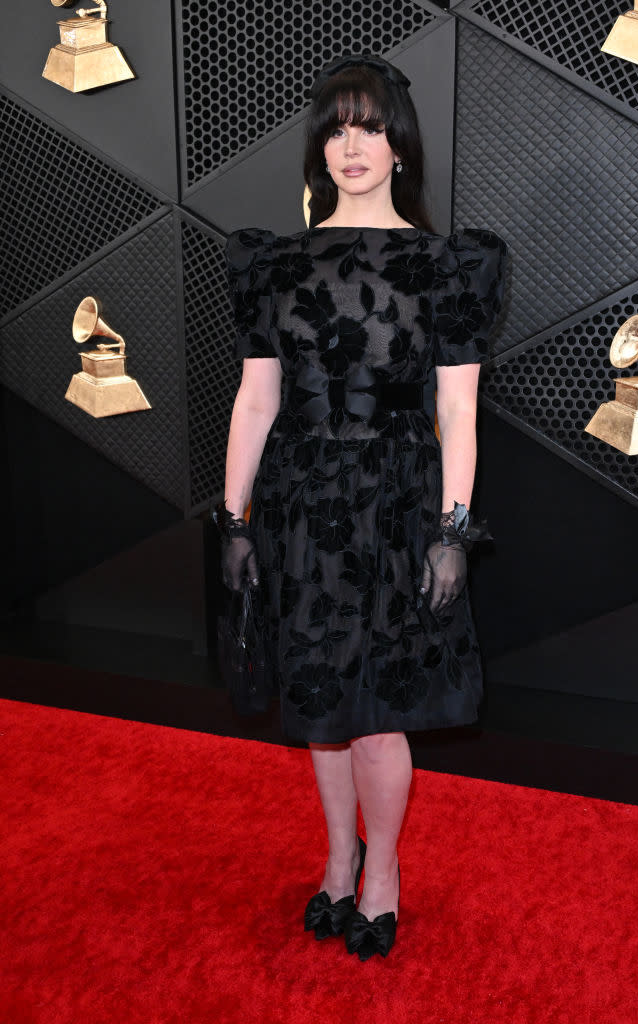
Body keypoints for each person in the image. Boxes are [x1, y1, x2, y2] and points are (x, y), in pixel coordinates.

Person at [218, 53, 508, 962]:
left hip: (394, 501)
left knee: (378, 712)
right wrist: (233, 520)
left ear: (399, 146)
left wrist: (451, 529)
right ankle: (337, 859)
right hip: (301, 502)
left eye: (371, 126)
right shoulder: (273, 265)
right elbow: (255, 400)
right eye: (337, 128)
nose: (353, 145)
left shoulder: (446, 266)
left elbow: (456, 407)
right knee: (317, 701)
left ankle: (381, 871)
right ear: (319, 147)